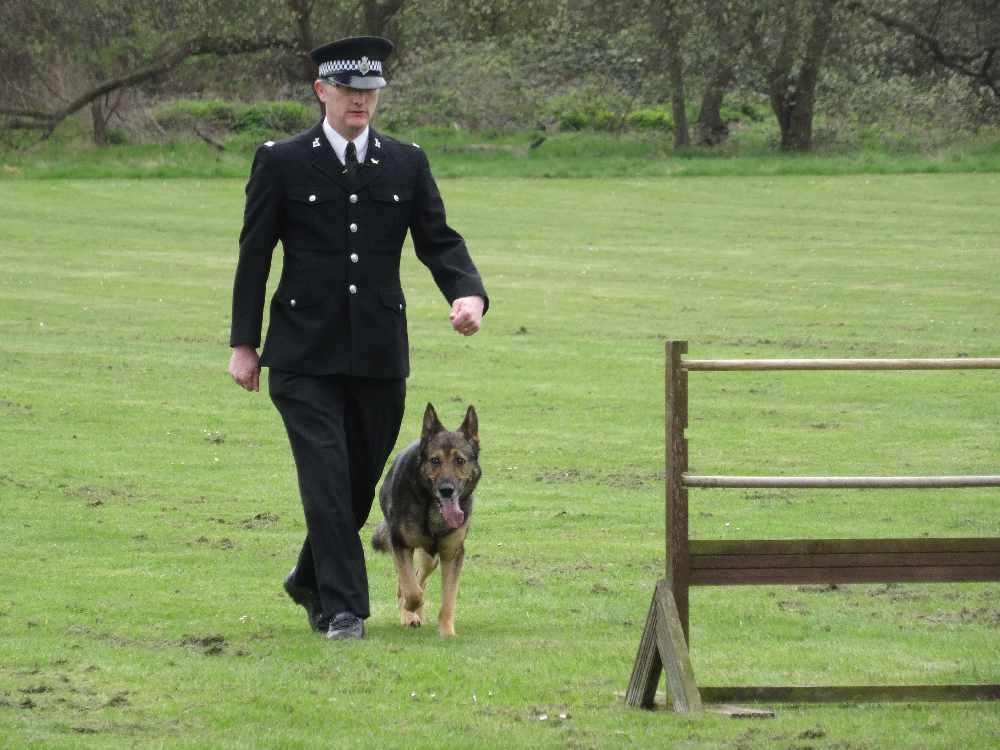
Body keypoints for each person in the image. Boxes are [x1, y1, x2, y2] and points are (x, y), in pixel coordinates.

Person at [227, 36, 488, 641]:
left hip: (377, 354)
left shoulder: (406, 162)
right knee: (325, 476)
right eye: (348, 91)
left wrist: (467, 292)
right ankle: (344, 610)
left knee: (355, 483)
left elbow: (438, 240)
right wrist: (245, 342)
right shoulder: (281, 161)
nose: (360, 102)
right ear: (322, 91)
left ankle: (307, 576)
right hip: (301, 354)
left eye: (369, 92)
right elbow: (254, 255)